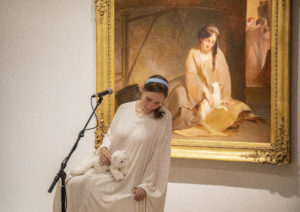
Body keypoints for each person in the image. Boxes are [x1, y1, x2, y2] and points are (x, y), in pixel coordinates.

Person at [53, 75, 172, 212]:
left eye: (157, 103)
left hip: (133, 178)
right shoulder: (124, 109)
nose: (151, 106)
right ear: (142, 91)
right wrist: (104, 148)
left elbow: (161, 156)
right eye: (148, 99)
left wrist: (146, 185)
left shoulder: (164, 117)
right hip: (111, 170)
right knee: (72, 183)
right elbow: (110, 134)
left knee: (91, 190)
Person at [164, 24, 252, 136]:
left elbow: (224, 76)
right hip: (194, 87)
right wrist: (204, 91)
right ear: (201, 38)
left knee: (219, 112)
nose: (209, 44)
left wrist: (225, 96)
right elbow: (191, 76)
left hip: (214, 89)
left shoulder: (218, 54)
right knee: (179, 97)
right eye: (207, 41)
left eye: (212, 42)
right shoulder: (193, 53)